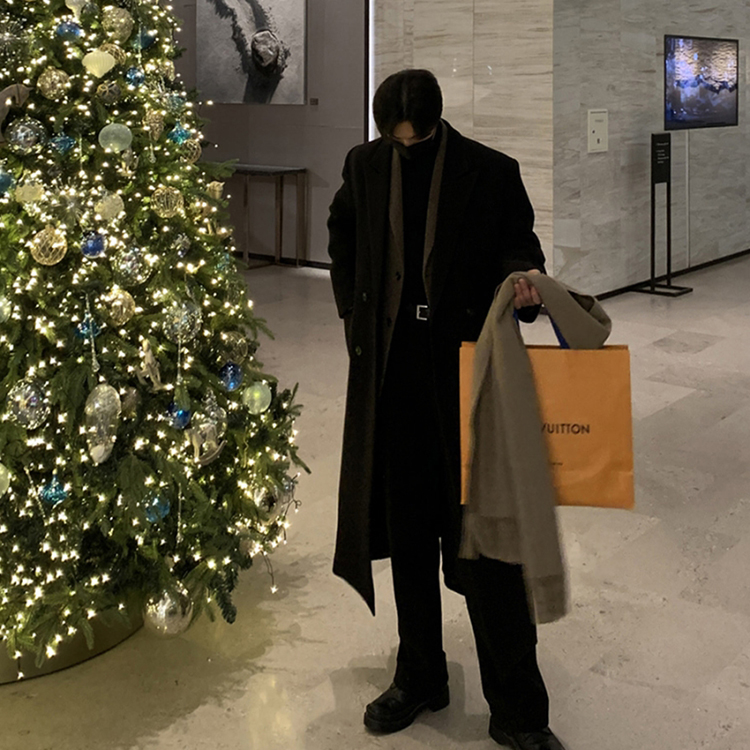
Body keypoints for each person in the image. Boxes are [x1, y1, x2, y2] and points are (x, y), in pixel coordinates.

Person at [327, 68, 566, 750]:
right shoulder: (365, 164)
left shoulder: (490, 170)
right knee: (407, 534)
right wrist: (354, 313)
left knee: (487, 544)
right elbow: (342, 231)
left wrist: (523, 279)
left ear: (436, 123)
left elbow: (520, 244)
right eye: (396, 140)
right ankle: (420, 674)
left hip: (469, 375)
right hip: (393, 379)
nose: (407, 147)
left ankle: (518, 711)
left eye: (419, 138)